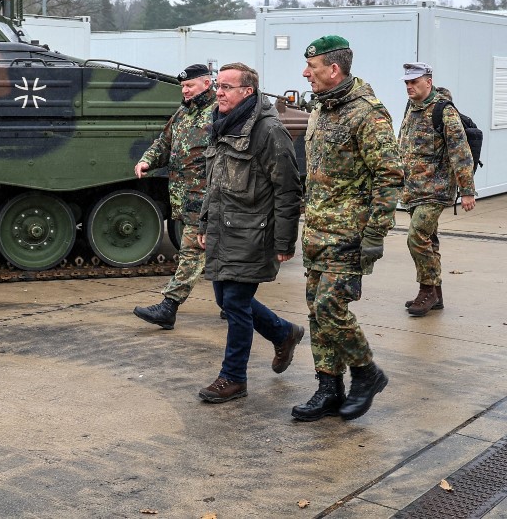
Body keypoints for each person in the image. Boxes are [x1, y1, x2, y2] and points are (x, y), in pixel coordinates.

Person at [293, 35, 404, 422]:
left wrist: (375, 234)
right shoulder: (321, 110)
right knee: (315, 312)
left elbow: (389, 176)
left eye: (313, 67)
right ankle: (328, 388)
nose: (306, 73)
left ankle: (366, 372)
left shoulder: (367, 113)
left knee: (330, 307)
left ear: (334, 69)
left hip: (349, 234)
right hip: (317, 231)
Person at [194, 62, 304, 404]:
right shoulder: (222, 122)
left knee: (236, 304)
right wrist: (203, 223)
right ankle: (283, 333)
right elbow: (215, 183)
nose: (219, 92)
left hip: (254, 232)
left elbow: (288, 189)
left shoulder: (268, 131)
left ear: (248, 92)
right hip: (222, 229)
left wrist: (284, 241)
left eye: (227, 87)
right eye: (218, 86)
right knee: (223, 299)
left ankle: (233, 378)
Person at [133, 64, 215, 330]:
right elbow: (164, 143)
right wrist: (147, 161)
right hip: (185, 197)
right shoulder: (183, 112)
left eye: (189, 86)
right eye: (182, 87)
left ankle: (169, 306)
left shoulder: (219, 113)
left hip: (206, 198)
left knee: (192, 251)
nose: (185, 91)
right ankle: (238, 304)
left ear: (206, 83)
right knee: (220, 253)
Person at [398, 62, 476, 316]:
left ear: (428, 82)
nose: (409, 87)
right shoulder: (411, 107)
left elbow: (460, 152)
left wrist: (466, 190)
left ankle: (427, 290)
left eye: (414, 82)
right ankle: (437, 294)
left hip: (436, 188)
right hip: (414, 188)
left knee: (416, 236)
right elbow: (404, 143)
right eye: (407, 83)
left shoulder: (444, 111)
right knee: (428, 239)